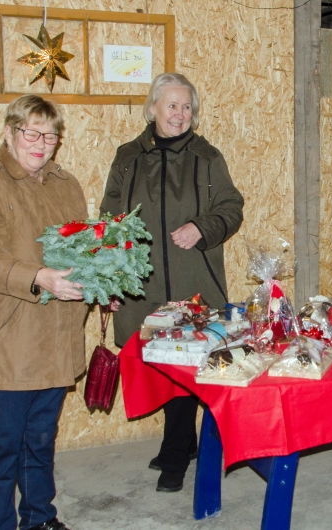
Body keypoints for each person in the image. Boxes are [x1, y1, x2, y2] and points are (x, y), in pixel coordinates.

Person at [100, 72, 244, 493]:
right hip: (141, 284)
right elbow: (109, 221)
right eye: (171, 105)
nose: (179, 114)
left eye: (186, 107)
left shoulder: (207, 156)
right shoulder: (127, 157)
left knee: (184, 360)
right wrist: (108, 279)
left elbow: (231, 207)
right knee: (157, 362)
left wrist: (202, 227)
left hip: (192, 282)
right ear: (152, 109)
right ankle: (182, 442)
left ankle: (177, 454)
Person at [0, 95, 87, 530]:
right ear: (9, 132)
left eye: (51, 135)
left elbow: (82, 250)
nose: (41, 143)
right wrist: (39, 277)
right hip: (7, 339)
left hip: (54, 334)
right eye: (31, 132)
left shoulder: (65, 184)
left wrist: (102, 284)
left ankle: (38, 518)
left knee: (40, 442)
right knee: (1, 450)